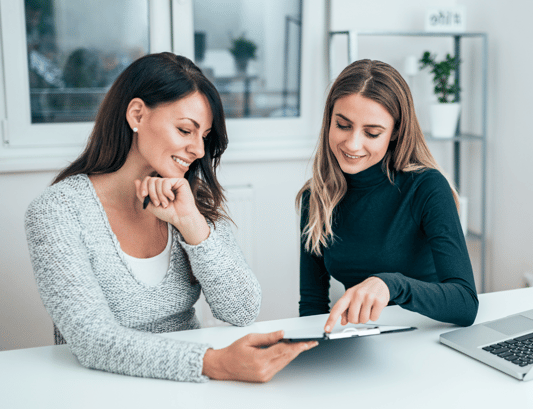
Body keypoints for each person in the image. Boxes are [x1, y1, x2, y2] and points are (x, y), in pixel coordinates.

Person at [25, 52, 316, 383]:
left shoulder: (189, 199)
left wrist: (191, 224)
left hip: (190, 388)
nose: (199, 150)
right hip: (101, 388)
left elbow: (242, 309)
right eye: (185, 130)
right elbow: (92, 340)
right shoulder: (58, 210)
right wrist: (213, 363)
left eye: (204, 136)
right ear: (137, 114)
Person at [297, 59, 479, 333]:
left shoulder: (427, 187)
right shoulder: (317, 196)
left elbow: (465, 303)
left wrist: (392, 284)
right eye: (343, 125)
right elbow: (312, 304)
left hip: (427, 335)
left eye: (372, 133)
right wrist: (314, 349)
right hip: (362, 341)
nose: (352, 144)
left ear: (395, 132)